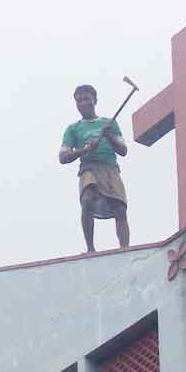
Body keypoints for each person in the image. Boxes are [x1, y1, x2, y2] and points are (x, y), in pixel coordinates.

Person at [59, 84, 129, 253]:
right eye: (79, 100)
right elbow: (63, 157)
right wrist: (84, 150)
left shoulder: (109, 123)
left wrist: (108, 135)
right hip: (88, 169)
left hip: (110, 169)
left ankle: (125, 248)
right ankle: (90, 249)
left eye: (86, 98)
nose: (83, 103)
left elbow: (123, 150)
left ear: (94, 100)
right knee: (87, 200)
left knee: (119, 208)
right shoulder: (73, 129)